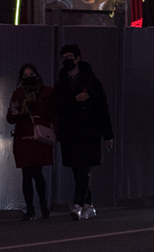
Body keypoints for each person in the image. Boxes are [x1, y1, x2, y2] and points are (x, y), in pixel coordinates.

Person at [54, 44, 113, 219]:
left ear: (78, 58)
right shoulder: (61, 84)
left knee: (83, 168)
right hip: (70, 133)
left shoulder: (92, 82)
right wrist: (75, 100)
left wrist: (107, 135)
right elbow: (57, 107)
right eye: (64, 57)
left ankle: (77, 205)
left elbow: (103, 108)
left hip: (89, 132)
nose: (67, 60)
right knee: (76, 169)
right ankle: (89, 204)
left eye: (70, 56)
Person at [6, 63, 55, 220]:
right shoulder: (18, 94)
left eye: (31, 74)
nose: (29, 78)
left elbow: (53, 112)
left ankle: (43, 206)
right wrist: (15, 112)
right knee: (26, 173)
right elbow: (10, 118)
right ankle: (30, 209)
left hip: (39, 137)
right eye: (25, 76)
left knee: (37, 172)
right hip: (23, 137)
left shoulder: (47, 92)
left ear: (37, 74)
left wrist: (55, 129)